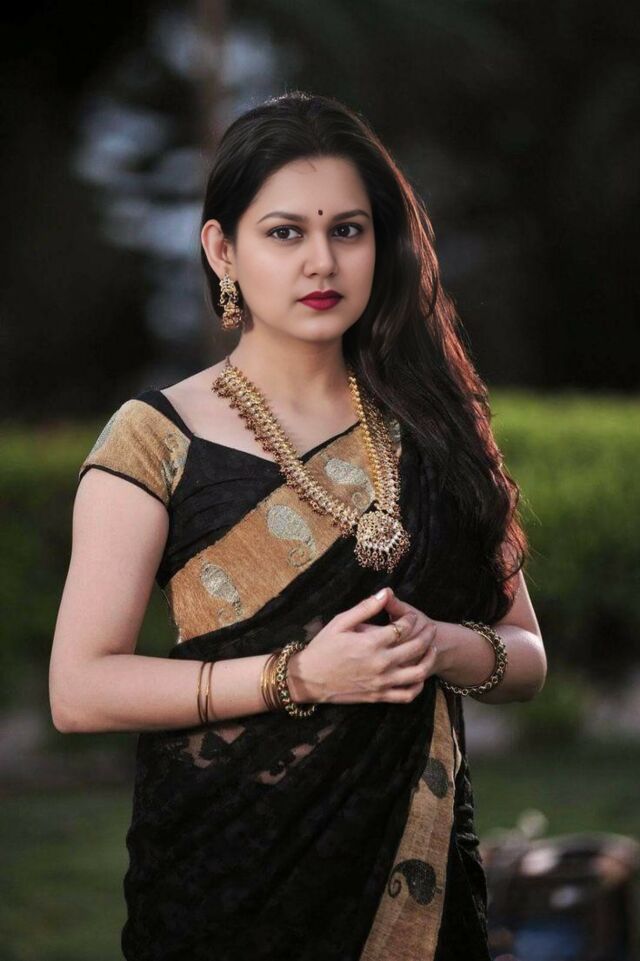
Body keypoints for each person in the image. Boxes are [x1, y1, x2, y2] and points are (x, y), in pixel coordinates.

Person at [49, 91, 546, 961]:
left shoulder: (437, 423)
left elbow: (527, 654)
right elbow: (80, 689)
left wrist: (440, 645)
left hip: (417, 883)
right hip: (225, 876)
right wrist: (300, 675)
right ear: (222, 249)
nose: (323, 261)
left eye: (348, 230)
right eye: (285, 233)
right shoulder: (156, 437)